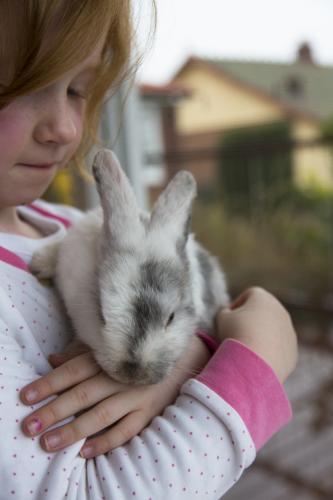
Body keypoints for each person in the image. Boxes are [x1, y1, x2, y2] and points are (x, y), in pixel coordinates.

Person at [0, 1, 297, 498]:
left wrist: (189, 358)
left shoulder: (72, 226)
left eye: (77, 90)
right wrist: (251, 364)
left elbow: (183, 306)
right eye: (14, 87)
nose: (67, 129)